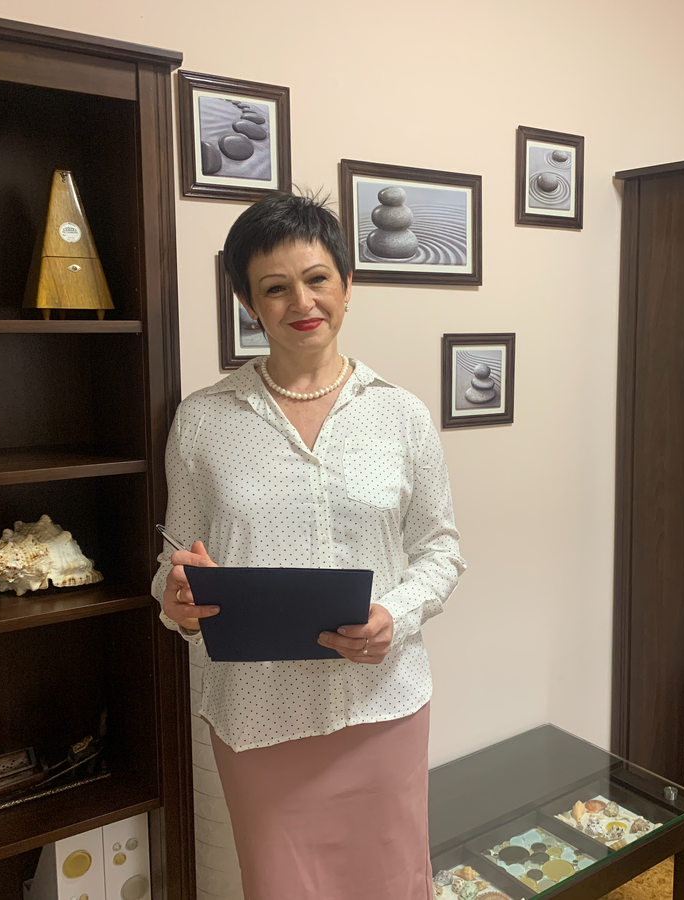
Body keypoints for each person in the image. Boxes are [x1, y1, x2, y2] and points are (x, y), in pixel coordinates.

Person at [152, 191, 465, 900]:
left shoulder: (402, 414)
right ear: (248, 304)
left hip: (382, 705)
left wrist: (395, 616)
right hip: (259, 715)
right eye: (275, 287)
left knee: (393, 884)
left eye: (318, 278)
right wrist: (177, 601)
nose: (302, 301)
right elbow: (175, 561)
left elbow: (441, 550)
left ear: (347, 285)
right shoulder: (202, 421)